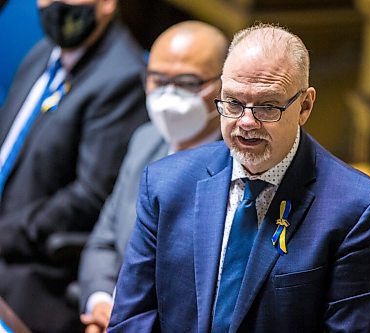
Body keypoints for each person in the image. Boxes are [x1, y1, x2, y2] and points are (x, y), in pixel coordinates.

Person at [109, 23, 370, 333]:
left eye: (266, 106)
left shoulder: (358, 211)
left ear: (305, 106)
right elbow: (132, 318)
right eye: (233, 103)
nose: (246, 122)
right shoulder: (166, 183)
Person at [0, 0, 147, 331]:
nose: (54, 4)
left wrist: (5, 234)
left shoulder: (122, 78)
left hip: (35, 263)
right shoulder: (44, 52)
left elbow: (88, 196)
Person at [77, 20, 228, 333]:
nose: (169, 94)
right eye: (158, 79)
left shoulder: (236, 168)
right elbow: (103, 241)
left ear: (223, 87)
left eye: (188, 82)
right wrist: (100, 303)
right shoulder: (144, 140)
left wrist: (125, 319)